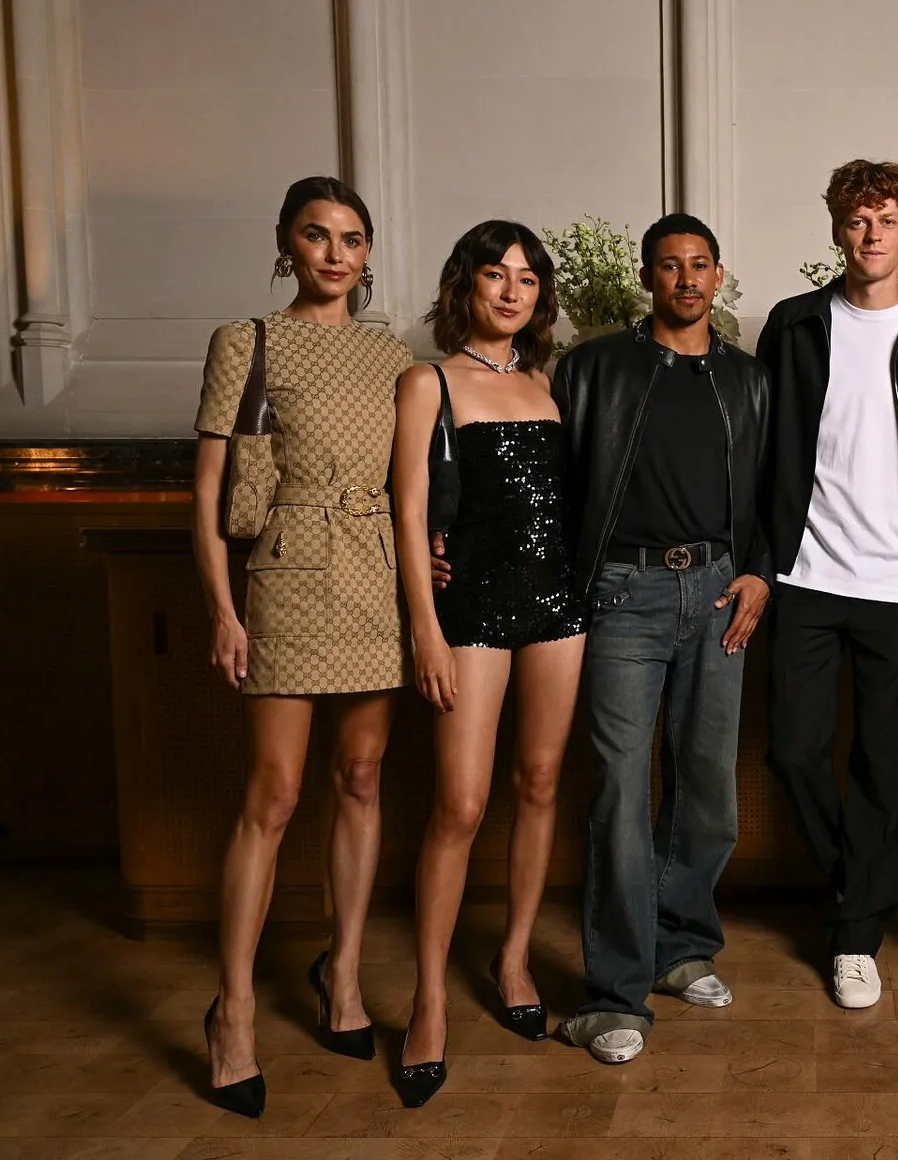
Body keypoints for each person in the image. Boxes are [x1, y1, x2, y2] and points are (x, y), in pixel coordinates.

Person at [190, 175, 415, 1118]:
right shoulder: (245, 341)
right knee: (275, 793)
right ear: (287, 243)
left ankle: (345, 975)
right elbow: (208, 493)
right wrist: (223, 612)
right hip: (285, 574)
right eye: (317, 235)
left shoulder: (395, 355)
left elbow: (413, 487)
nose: (335, 253)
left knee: (360, 778)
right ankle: (234, 1011)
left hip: (376, 573)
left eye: (352, 239)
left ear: (367, 254)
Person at [546, 213, 773, 1065]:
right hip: (623, 594)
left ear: (719, 275)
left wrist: (760, 571)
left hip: (718, 592)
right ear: (647, 277)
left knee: (708, 785)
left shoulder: (748, 380)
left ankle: (682, 950)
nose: (686, 278)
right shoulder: (594, 367)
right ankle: (615, 992)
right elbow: (554, 485)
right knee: (617, 787)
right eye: (670, 265)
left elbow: (774, 488)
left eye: (700, 264)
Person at [757, 160, 898, 1008]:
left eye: (885, 219)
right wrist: (760, 557)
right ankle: (861, 884)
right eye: (857, 220)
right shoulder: (793, 324)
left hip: (897, 582)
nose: (871, 234)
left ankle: (855, 937)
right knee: (793, 749)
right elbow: (761, 447)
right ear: (837, 231)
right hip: (804, 572)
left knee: (884, 762)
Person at [389, 221, 586, 1107]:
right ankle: (428, 1002)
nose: (511, 291)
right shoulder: (427, 382)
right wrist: (424, 630)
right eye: (495, 275)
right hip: (469, 608)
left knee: (539, 783)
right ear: (464, 285)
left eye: (527, 278)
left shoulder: (552, 384)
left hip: (558, 606)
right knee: (461, 805)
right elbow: (408, 512)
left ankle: (512, 960)